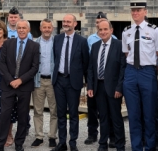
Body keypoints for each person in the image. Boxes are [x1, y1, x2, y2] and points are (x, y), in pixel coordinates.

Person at [121, 0, 158, 151]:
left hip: (147, 72)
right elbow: (127, 53)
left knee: (149, 112)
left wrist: (155, 72)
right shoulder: (126, 31)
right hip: (131, 71)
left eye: (139, 10)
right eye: (133, 10)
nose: (135, 13)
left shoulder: (154, 30)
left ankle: (150, 146)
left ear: (145, 12)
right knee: (133, 113)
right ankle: (137, 146)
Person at [0, 20, 40, 151]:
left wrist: (20, 80)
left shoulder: (34, 46)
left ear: (28, 30)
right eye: (19, 28)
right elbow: (2, 64)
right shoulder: (8, 43)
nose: (21, 30)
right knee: (5, 115)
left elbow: (35, 67)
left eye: (24, 28)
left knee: (23, 115)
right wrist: (10, 80)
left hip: (24, 86)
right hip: (8, 85)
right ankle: (0, 144)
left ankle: (19, 143)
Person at [87, 19, 127, 151]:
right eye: (100, 30)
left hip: (114, 88)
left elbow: (122, 68)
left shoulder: (119, 45)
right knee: (102, 117)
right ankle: (102, 144)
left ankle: (120, 145)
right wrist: (90, 86)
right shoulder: (95, 46)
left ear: (111, 30)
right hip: (99, 87)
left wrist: (119, 87)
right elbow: (91, 68)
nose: (103, 32)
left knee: (116, 118)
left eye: (105, 29)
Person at [52, 14, 90, 151]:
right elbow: (56, 58)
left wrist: (84, 80)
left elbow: (85, 62)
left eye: (69, 21)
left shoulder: (82, 41)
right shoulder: (57, 39)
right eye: (64, 21)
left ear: (75, 24)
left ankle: (73, 143)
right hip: (59, 81)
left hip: (73, 82)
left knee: (73, 114)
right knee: (61, 113)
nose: (66, 23)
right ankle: (62, 143)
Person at [85, 12, 117, 147]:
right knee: (92, 109)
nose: (100, 25)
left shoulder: (115, 40)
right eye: (98, 23)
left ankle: (112, 136)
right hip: (95, 81)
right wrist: (89, 83)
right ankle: (93, 134)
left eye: (103, 22)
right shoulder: (90, 39)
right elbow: (89, 62)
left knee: (110, 111)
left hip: (109, 82)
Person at [31, 19, 58, 148]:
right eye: (44, 27)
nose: (47, 29)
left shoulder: (57, 42)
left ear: (52, 28)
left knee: (54, 110)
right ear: (40, 28)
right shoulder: (35, 43)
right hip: (39, 80)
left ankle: (52, 136)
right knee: (38, 110)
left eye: (49, 27)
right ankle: (39, 136)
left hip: (53, 81)